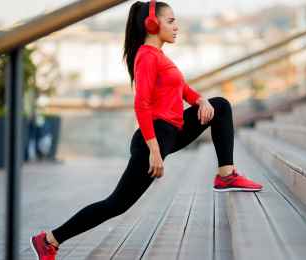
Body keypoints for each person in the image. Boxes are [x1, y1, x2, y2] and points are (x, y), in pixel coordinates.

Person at [30, 1, 263, 258]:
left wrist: (201, 100)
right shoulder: (146, 56)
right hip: (154, 138)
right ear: (153, 25)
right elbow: (141, 105)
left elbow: (183, 89)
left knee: (219, 106)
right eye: (171, 21)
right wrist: (154, 150)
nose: (177, 26)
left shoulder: (160, 56)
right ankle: (49, 240)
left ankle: (226, 175)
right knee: (116, 204)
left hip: (173, 131)